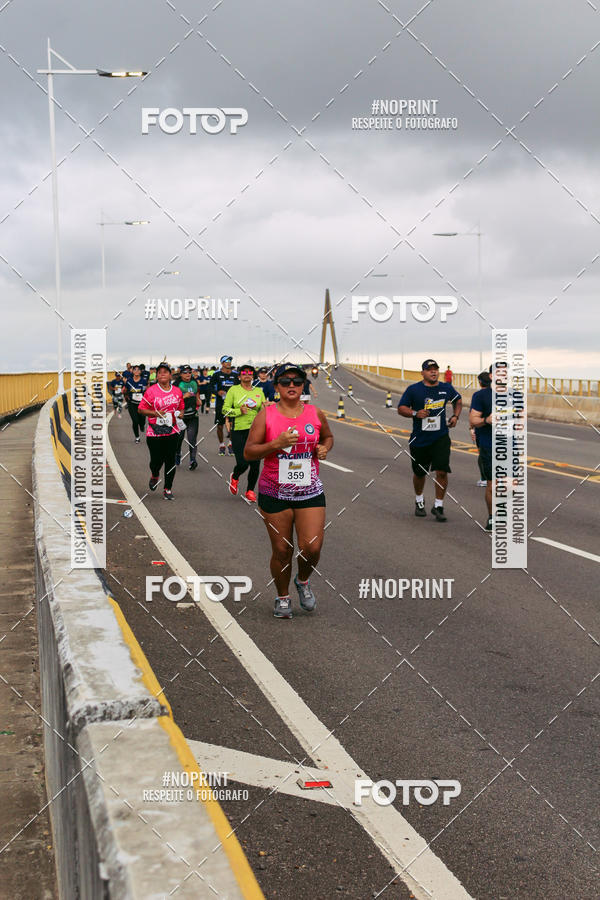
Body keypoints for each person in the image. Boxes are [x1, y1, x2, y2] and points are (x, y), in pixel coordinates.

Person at [244, 364, 334, 618]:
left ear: (303, 385)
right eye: (285, 382)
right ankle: (282, 597)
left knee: (312, 548)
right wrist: (276, 444)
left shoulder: (315, 413)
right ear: (276, 387)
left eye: (297, 381)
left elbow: (327, 437)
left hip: (309, 491)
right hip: (274, 492)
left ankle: (302, 581)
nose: (292, 385)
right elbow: (249, 451)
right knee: (283, 550)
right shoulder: (267, 415)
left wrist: (324, 448)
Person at [397, 359, 462, 522]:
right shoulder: (414, 390)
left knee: (442, 471)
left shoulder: (446, 388)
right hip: (420, 439)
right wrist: (415, 413)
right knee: (420, 473)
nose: (433, 372)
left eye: (435, 369)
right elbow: (401, 408)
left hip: (440, 437)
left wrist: (455, 416)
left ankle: (438, 506)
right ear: (423, 373)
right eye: (429, 369)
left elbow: (458, 400)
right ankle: (419, 501)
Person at [137, 363, 185, 500]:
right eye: (159, 372)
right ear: (156, 376)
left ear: (170, 375)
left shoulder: (177, 391)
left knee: (170, 460)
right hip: (155, 431)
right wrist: (156, 414)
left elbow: (181, 407)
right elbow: (140, 409)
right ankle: (155, 475)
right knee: (156, 461)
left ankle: (167, 489)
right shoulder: (151, 391)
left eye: (165, 372)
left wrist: (180, 414)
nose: (162, 374)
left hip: (172, 430)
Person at [222, 364, 265, 502]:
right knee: (243, 462)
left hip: (256, 432)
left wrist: (266, 408)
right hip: (239, 431)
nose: (247, 374)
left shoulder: (259, 391)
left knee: (255, 464)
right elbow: (225, 410)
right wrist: (239, 411)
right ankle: (235, 476)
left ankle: (250, 491)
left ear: (253, 376)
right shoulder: (233, 390)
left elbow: (263, 410)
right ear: (239, 376)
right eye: (244, 372)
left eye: (250, 372)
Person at [469, 370, 494, 531]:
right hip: (489, 444)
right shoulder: (481, 396)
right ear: (492, 376)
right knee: (493, 483)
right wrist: (487, 420)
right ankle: (492, 517)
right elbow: (473, 419)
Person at [209, 355, 238, 455]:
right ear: (222, 363)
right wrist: (217, 392)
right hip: (221, 404)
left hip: (233, 404)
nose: (229, 362)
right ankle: (221, 445)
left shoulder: (235, 374)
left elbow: (241, 387)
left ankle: (231, 444)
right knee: (220, 426)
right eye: (226, 361)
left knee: (233, 425)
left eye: (230, 360)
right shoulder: (216, 374)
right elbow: (210, 387)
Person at [175, 365, 200, 470]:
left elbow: (197, 392)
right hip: (180, 416)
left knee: (192, 438)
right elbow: (172, 399)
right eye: (185, 372)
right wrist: (183, 397)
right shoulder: (176, 384)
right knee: (179, 439)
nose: (188, 374)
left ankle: (192, 460)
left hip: (193, 415)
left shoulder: (194, 382)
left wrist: (198, 399)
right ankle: (177, 453)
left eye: (189, 372)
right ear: (181, 374)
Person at [123, 365, 147, 442]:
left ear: (140, 371)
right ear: (132, 371)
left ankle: (142, 425)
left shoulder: (143, 381)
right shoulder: (129, 381)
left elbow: (147, 392)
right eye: (135, 369)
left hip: (141, 404)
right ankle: (137, 437)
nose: (136, 371)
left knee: (142, 420)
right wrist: (125, 394)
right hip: (132, 404)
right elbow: (125, 391)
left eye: (138, 369)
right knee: (135, 421)